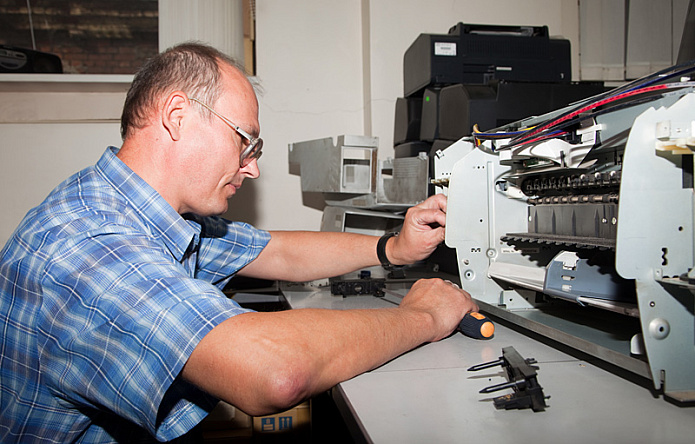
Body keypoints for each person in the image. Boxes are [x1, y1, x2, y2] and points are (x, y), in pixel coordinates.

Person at [0, 42, 477, 443]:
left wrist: (393, 249)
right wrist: (424, 316)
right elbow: (275, 370)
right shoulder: (88, 243)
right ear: (178, 116)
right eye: (245, 142)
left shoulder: (139, 210)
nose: (252, 168)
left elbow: (279, 251)